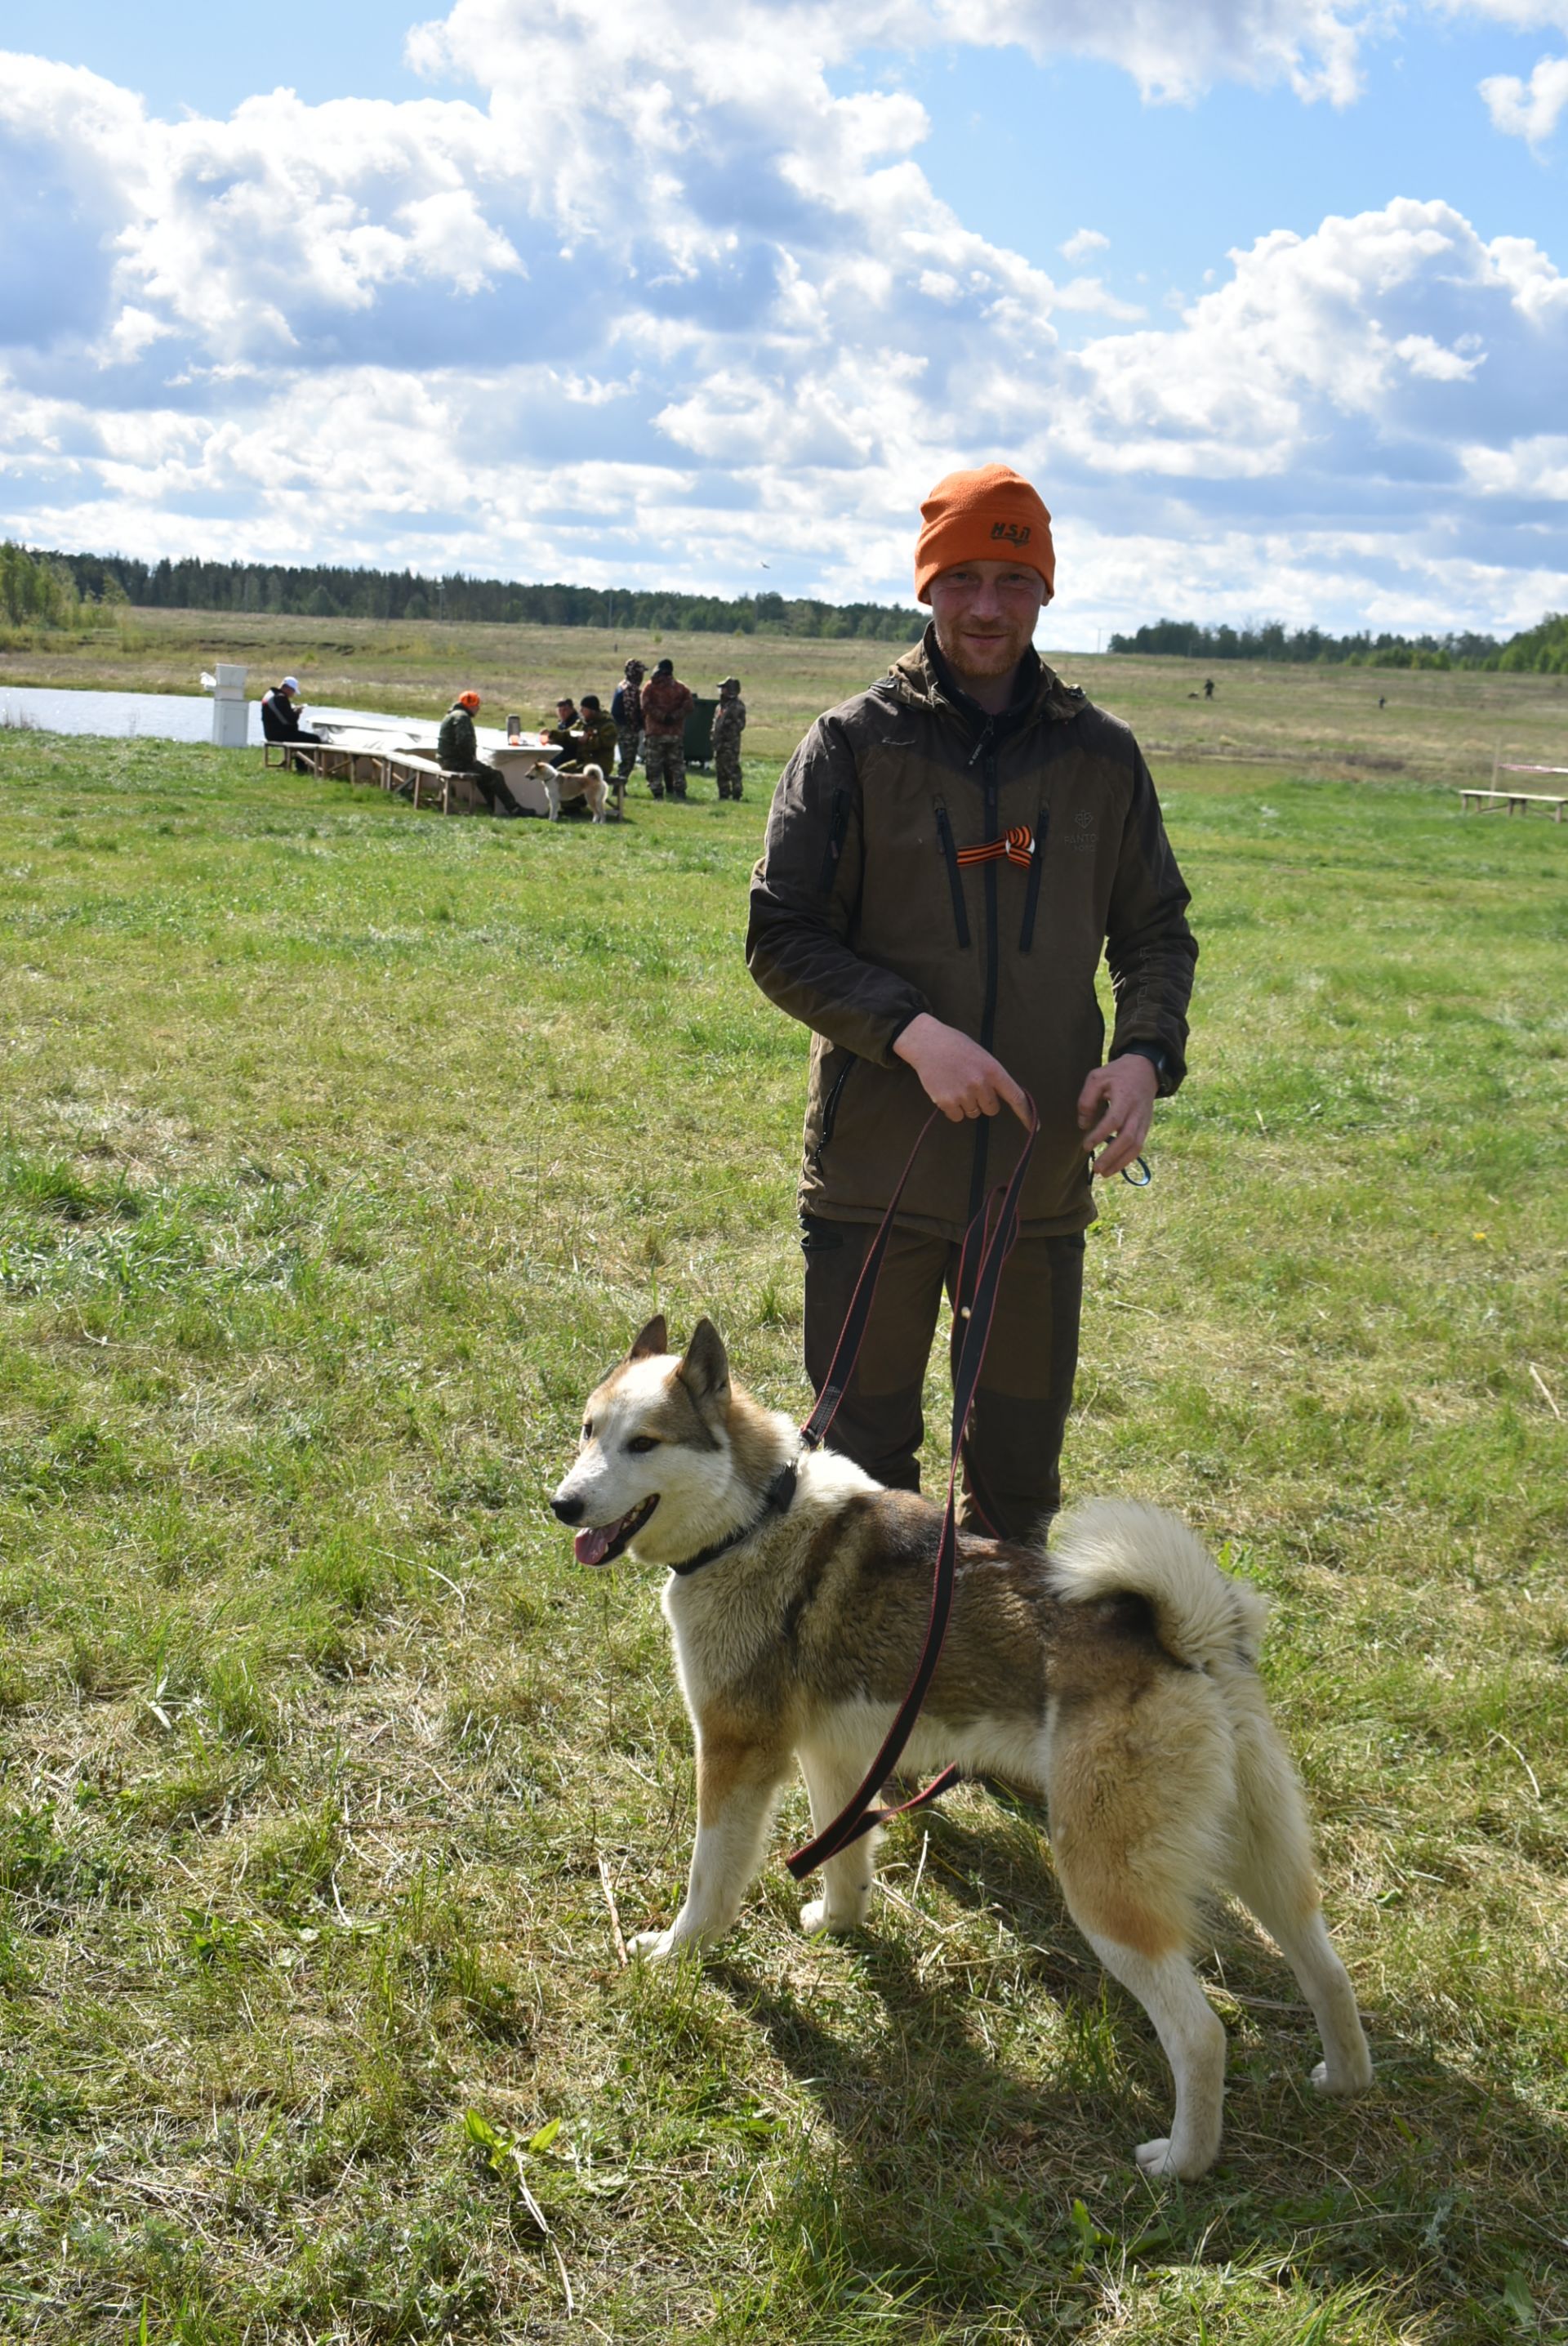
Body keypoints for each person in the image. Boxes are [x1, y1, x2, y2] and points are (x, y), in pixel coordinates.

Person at [746, 463, 1196, 1539]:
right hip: (875, 1182)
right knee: (858, 1481)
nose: (986, 606)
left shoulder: (1102, 759)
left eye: (1011, 578)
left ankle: (990, 1699)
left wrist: (1142, 1057)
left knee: (1015, 1485)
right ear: (925, 589)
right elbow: (780, 937)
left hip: (1036, 1189)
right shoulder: (853, 746)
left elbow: (1154, 934)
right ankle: (874, 1699)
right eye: (961, 580)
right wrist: (911, 1035)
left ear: (1045, 591)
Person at [437, 690, 526, 817]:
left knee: (484, 775)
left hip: (446, 760)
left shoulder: (453, 714)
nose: (478, 708)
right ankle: (514, 809)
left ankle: (493, 808)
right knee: (495, 775)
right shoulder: (462, 717)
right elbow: (464, 742)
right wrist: (471, 761)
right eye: (477, 705)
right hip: (456, 763)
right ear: (471, 705)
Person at [639, 658, 693, 801]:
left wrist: (662, 717)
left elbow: (645, 706)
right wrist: (674, 717)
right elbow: (689, 706)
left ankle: (658, 793)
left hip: (655, 733)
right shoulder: (682, 688)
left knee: (654, 764)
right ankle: (679, 791)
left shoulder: (650, 686)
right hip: (675, 733)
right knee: (677, 765)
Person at [259, 676, 322, 770]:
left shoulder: (270, 694)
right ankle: (306, 767)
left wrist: (291, 710)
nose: (293, 694)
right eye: (293, 691)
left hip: (271, 732)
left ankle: (302, 765)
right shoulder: (280, 698)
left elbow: (278, 715)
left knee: (301, 737)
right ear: (287, 688)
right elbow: (290, 720)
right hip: (280, 734)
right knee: (315, 739)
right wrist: (297, 712)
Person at [711, 676, 747, 801]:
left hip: (730, 744)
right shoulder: (721, 706)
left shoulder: (737, 706)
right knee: (720, 770)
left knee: (732, 769)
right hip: (719, 744)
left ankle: (737, 793)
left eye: (724, 688)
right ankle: (724, 794)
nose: (722, 691)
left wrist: (726, 733)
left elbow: (739, 725)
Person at [611, 659, 646, 783]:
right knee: (628, 760)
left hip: (620, 727)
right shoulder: (631, 689)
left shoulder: (622, 685)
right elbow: (631, 713)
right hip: (627, 729)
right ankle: (619, 787)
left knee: (627, 759)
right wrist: (639, 726)